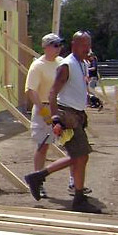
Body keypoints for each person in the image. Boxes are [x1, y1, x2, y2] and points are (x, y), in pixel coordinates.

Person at [24, 31, 101, 214]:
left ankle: (45, 178)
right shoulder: (52, 65)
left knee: (80, 155)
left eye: (88, 45)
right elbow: (45, 92)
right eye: (83, 45)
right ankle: (44, 179)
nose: (87, 49)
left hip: (73, 114)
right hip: (60, 113)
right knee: (48, 147)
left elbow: (75, 87)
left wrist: (89, 98)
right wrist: (53, 117)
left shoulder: (78, 63)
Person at [24, 33, 63, 199]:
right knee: (43, 146)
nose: (58, 48)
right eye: (54, 45)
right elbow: (30, 90)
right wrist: (43, 110)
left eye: (59, 45)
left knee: (71, 143)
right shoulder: (38, 66)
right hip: (45, 107)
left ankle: (74, 182)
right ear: (45, 47)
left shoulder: (62, 63)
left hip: (61, 107)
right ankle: (37, 180)